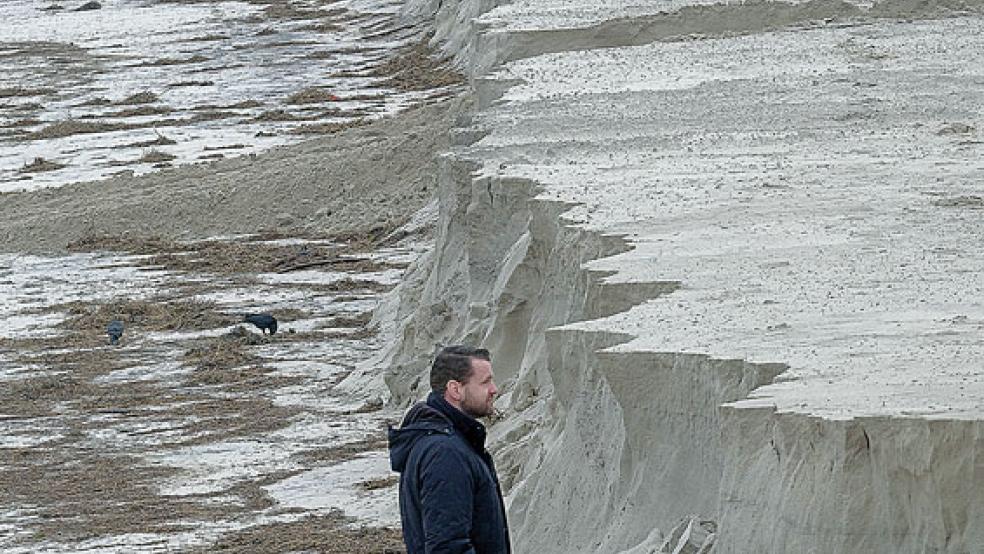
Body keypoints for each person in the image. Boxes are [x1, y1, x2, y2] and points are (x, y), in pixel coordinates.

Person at [388, 345, 511, 554]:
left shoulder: (447, 441)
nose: (494, 389)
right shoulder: (445, 453)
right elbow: (448, 547)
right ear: (455, 389)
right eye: (485, 382)